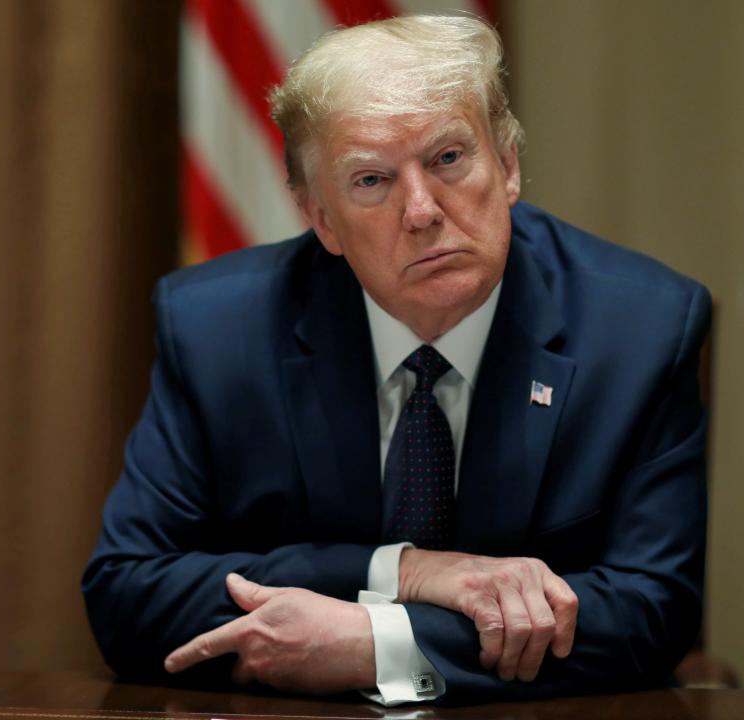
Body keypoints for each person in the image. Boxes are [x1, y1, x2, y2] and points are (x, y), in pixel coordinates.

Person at [82, 14, 710, 705]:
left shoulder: (641, 329)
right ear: (320, 217)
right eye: (372, 181)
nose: (421, 210)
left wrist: (377, 643)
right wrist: (403, 573)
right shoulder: (217, 330)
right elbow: (128, 594)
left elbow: (651, 613)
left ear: (507, 165)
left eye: (448, 159)